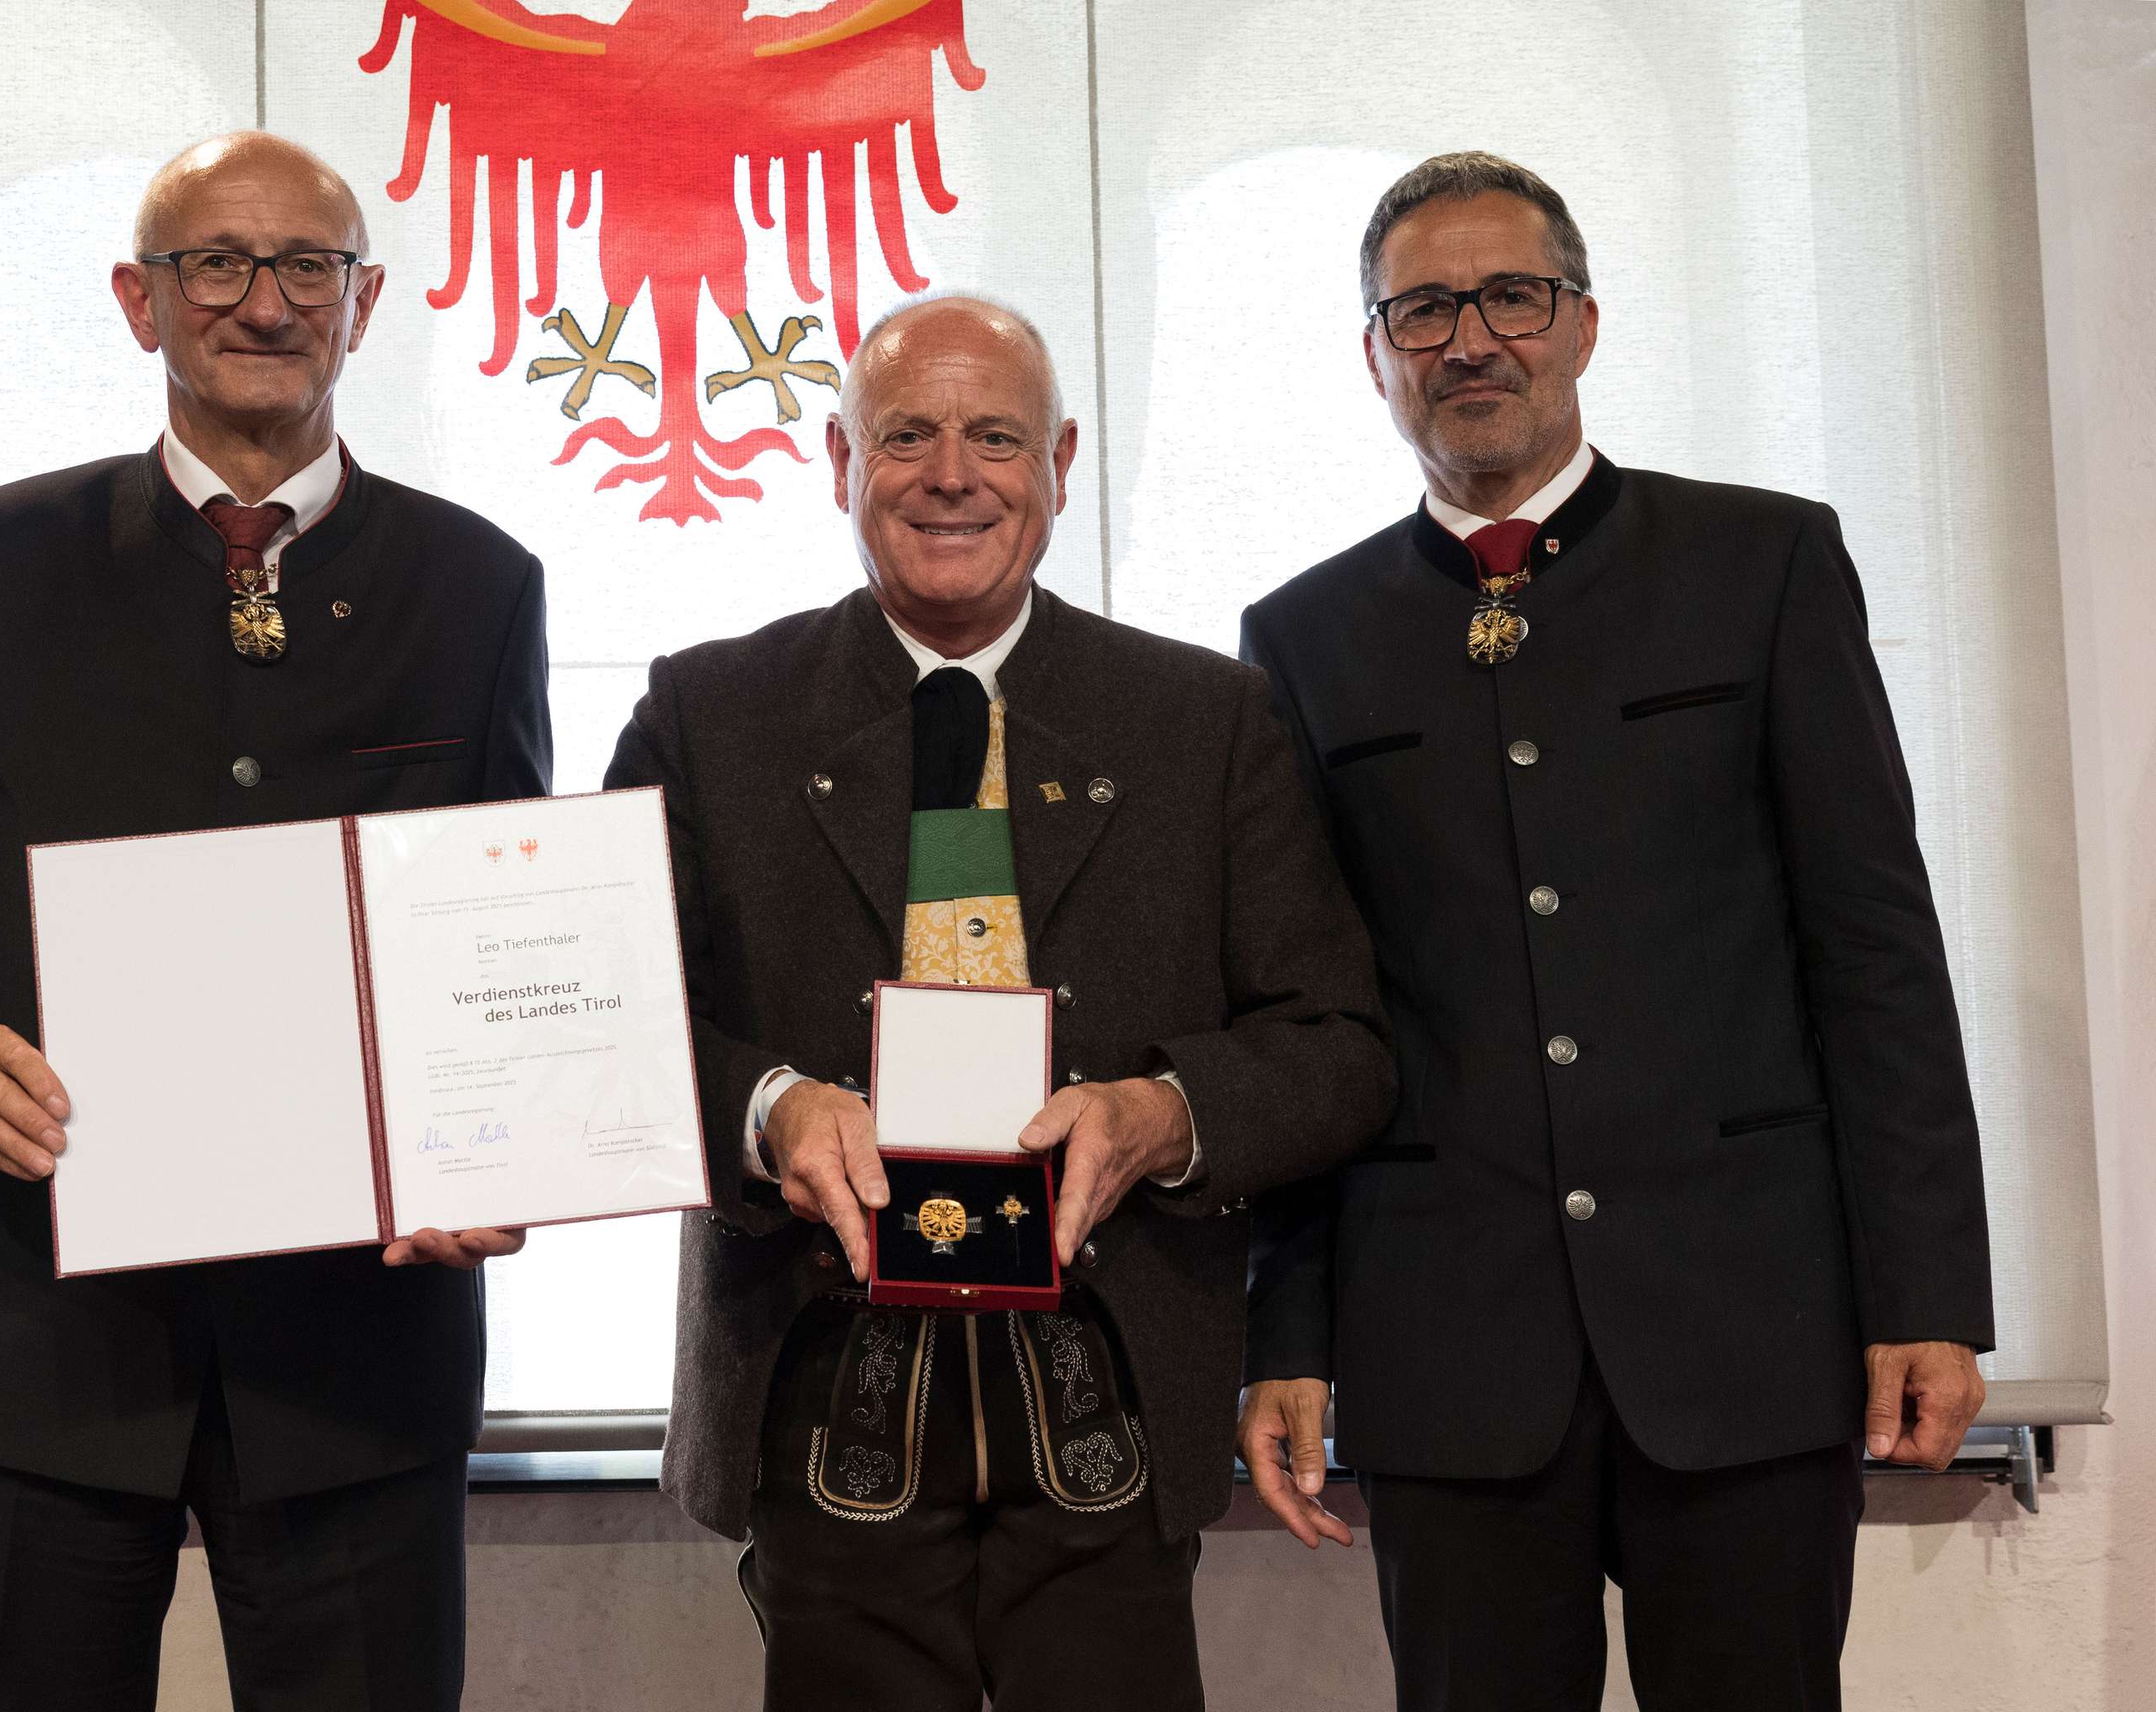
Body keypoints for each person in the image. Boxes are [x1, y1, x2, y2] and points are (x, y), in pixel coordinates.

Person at [0, 132, 550, 1712]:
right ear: (143, 303)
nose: (264, 302)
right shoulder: (6, 562)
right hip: (38, 1355)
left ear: (367, 306)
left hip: (361, 1364)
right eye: (218, 262)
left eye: (308, 268)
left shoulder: (478, 584)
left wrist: (510, 1143)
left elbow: (514, 939)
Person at [1237, 152, 1995, 1709]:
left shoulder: (1764, 564)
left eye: (1511, 296)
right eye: (1422, 309)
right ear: (1371, 356)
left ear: (1583, 324)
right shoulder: (1303, 637)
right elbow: (1308, 1025)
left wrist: (1925, 1295)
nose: (1468, 341)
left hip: (1747, 1318)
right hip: (1445, 1338)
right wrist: (1287, 1331)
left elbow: (1877, 955)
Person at [606, 293, 1394, 1710]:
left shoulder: (1203, 721)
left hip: (1112, 1406)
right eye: (905, 434)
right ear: (839, 464)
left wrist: (1167, 1112)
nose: (951, 475)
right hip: (817, 1402)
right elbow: (601, 1024)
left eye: (995, 437)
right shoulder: (707, 715)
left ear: (1063, 461)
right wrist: (768, 1107)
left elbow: (1338, 1048)